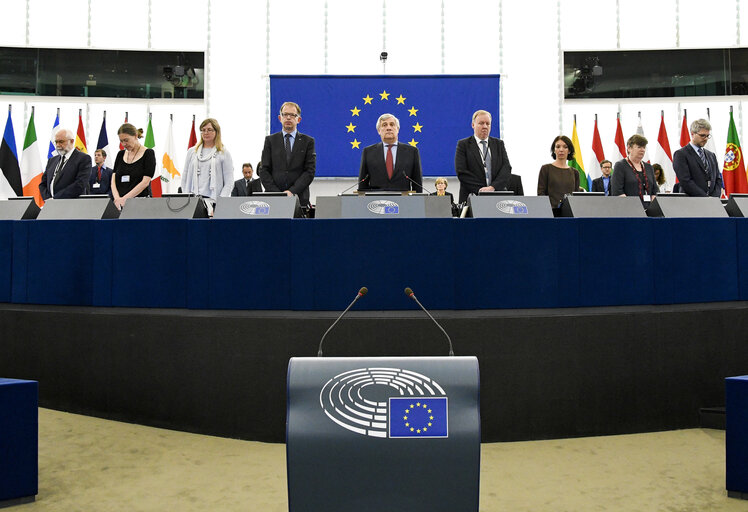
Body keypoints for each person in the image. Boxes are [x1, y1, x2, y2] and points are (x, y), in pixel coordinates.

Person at [260, 101, 316, 206]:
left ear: (298, 119)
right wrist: (278, 194)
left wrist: (292, 192)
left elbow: (309, 171)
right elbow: (264, 170)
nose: (288, 118)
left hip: (299, 199)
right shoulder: (270, 141)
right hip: (273, 200)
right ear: (280, 118)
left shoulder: (308, 142)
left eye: (292, 115)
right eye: (285, 114)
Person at [455, 110, 511, 203]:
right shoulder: (463, 145)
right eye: (481, 123)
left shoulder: (498, 144)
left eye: (488, 124)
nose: (485, 126)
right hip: (472, 198)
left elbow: (506, 168)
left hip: (497, 197)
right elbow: (462, 172)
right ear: (473, 125)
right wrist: (483, 190)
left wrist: (492, 188)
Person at [181, 118, 234, 211]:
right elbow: (184, 178)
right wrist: (186, 199)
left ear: (216, 131)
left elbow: (229, 181)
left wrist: (220, 202)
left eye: (209, 130)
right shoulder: (192, 152)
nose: (206, 132)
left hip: (214, 202)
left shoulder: (223, 153)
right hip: (193, 201)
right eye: (203, 130)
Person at [358, 113, 422, 192]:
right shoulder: (368, 152)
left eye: (392, 124)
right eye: (384, 125)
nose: (389, 128)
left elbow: (417, 184)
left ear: (397, 129)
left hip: (404, 201)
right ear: (379, 131)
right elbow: (362, 185)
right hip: (376, 202)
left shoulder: (412, 152)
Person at [672, 119, 722, 197]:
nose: (705, 139)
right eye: (702, 135)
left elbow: (718, 179)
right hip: (691, 202)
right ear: (692, 134)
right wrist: (705, 197)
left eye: (707, 136)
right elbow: (686, 181)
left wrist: (714, 198)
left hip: (712, 203)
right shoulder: (681, 154)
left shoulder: (711, 155)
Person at [111, 123, 156, 210]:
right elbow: (113, 179)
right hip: (120, 204)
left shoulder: (148, 153)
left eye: (126, 140)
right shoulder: (120, 154)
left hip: (141, 204)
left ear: (135, 136)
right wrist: (117, 199)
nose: (124, 144)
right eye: (121, 141)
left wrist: (125, 199)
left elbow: (145, 182)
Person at [38, 128, 91, 200]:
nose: (58, 145)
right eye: (56, 142)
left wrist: (56, 199)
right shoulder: (52, 160)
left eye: (61, 142)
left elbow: (79, 184)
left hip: (71, 206)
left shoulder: (83, 159)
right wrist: (48, 199)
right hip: (51, 205)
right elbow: (43, 184)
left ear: (72, 141)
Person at [611, 134, 659, 200]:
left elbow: (655, 191)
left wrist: (653, 206)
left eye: (644, 147)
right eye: (639, 147)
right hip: (630, 208)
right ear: (629, 148)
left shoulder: (649, 167)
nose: (642, 150)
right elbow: (617, 192)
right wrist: (635, 207)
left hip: (650, 208)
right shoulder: (620, 166)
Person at [537, 135, 580, 207]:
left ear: (569, 150)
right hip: (550, 213)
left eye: (565, 147)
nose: (561, 150)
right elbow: (541, 194)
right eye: (558, 146)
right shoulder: (546, 169)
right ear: (554, 150)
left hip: (570, 213)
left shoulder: (575, 173)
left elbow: (576, 196)